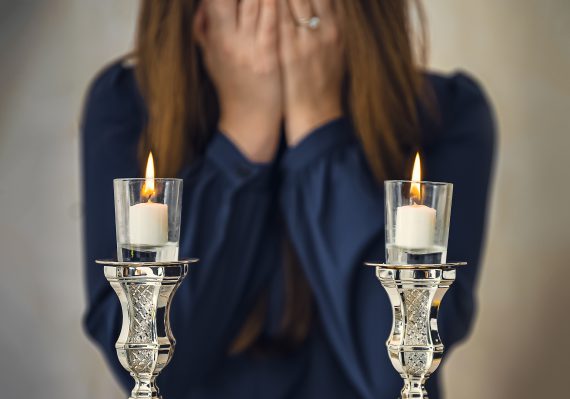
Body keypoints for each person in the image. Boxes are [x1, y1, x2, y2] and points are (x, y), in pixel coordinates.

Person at [81, 0, 495, 398]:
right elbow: (148, 373)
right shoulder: (127, 106)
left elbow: (399, 377)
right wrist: (245, 129)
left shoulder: (445, 114)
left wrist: (317, 122)